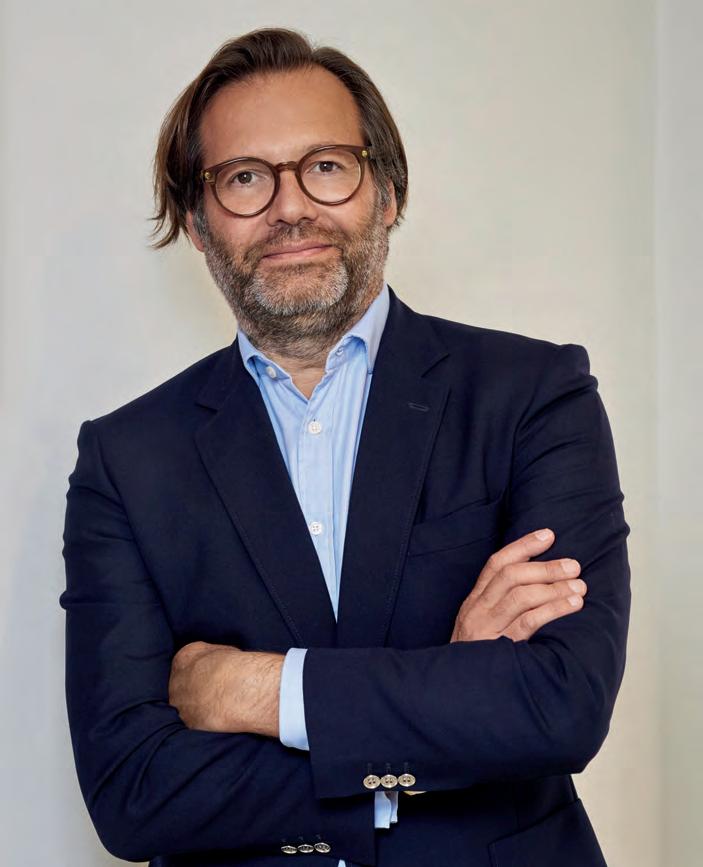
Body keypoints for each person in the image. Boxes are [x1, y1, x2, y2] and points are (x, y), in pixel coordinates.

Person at [59, 26, 631, 867]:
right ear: (197, 223)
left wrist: (256, 689)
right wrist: (445, 699)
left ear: (386, 192)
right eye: (244, 177)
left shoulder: (533, 395)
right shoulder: (126, 461)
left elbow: (560, 704)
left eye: (326, 165)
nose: (290, 207)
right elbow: (133, 793)